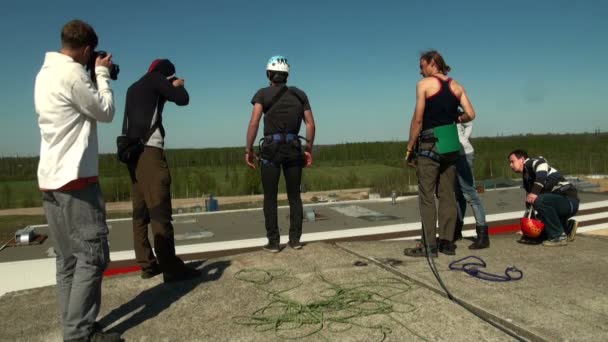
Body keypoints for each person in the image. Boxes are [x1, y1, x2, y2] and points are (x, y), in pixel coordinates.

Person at [34, 19, 121, 342]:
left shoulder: (44, 74)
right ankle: (79, 334)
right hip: (76, 180)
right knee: (92, 256)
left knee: (67, 259)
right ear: (86, 49)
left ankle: (74, 326)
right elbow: (105, 111)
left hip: (50, 179)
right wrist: (100, 75)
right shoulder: (72, 74)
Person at [122, 59, 200, 281]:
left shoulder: (133, 87)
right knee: (159, 209)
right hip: (149, 152)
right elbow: (183, 100)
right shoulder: (158, 80)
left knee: (140, 212)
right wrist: (178, 85)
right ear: (167, 76)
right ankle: (170, 267)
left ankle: (147, 264)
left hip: (132, 154)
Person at [403, 50, 476, 257]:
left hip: (430, 142)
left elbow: (418, 119)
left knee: (426, 196)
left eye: (421, 66)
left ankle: (429, 246)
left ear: (432, 64)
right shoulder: (456, 86)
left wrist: (410, 147)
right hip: (450, 141)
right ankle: (447, 243)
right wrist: (456, 118)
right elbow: (471, 114)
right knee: (447, 194)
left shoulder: (424, 85)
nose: (420, 71)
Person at [245, 55, 316, 252]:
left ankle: (274, 242)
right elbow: (310, 123)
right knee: (294, 196)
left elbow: (254, 122)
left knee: (270, 197)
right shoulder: (299, 94)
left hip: (271, 151)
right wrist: (308, 149)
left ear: (269, 74)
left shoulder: (262, 94)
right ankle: (295, 240)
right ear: (286, 75)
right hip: (294, 149)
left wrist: (248, 149)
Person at [507, 149, 579, 246]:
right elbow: (530, 207)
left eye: (512, 161)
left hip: (568, 200)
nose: (510, 165)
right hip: (557, 204)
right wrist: (527, 229)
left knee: (539, 200)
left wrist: (534, 192)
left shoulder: (530, 163)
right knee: (538, 233)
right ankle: (567, 227)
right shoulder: (527, 180)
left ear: (522, 159)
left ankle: (558, 236)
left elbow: (542, 163)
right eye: (509, 162)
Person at [453, 119, 490, 249]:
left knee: (470, 195)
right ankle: (456, 232)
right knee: (458, 196)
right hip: (455, 155)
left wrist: (463, 139)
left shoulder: (455, 111)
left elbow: (469, 122)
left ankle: (483, 237)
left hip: (463, 154)